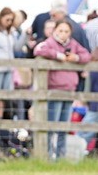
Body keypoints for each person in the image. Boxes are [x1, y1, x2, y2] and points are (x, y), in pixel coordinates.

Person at [32, 20, 91, 161]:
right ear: (55, 31)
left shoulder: (73, 44)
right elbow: (38, 50)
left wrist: (75, 58)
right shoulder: (50, 43)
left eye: (66, 31)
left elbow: (87, 55)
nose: (63, 34)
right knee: (52, 125)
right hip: (55, 89)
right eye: (60, 30)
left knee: (64, 127)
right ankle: (48, 156)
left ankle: (60, 156)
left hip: (69, 90)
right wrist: (59, 56)